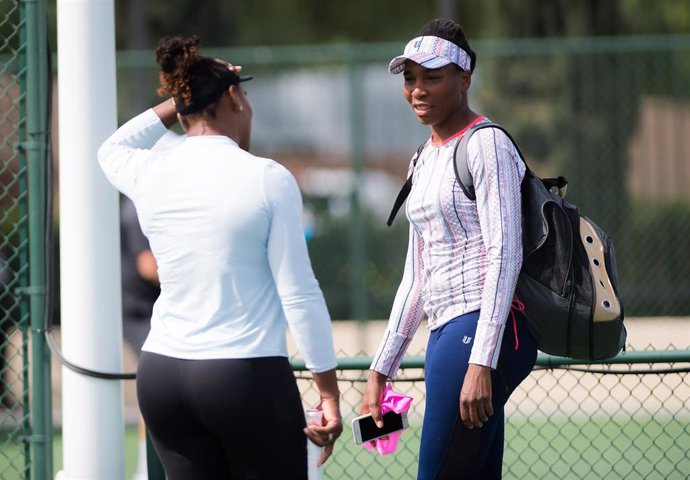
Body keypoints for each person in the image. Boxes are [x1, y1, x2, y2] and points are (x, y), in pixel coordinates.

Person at [98, 35, 342, 479]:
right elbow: (300, 293)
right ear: (232, 96)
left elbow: (111, 149)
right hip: (242, 375)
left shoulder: (151, 172)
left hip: (162, 376)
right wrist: (328, 392)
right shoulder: (268, 178)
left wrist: (180, 100)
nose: (247, 104)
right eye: (243, 93)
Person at [360, 19, 538, 479]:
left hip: (481, 330)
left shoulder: (487, 143)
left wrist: (483, 360)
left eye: (432, 77)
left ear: (464, 78)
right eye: (410, 78)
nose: (418, 90)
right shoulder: (423, 156)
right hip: (447, 334)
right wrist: (381, 369)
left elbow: (505, 255)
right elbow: (416, 277)